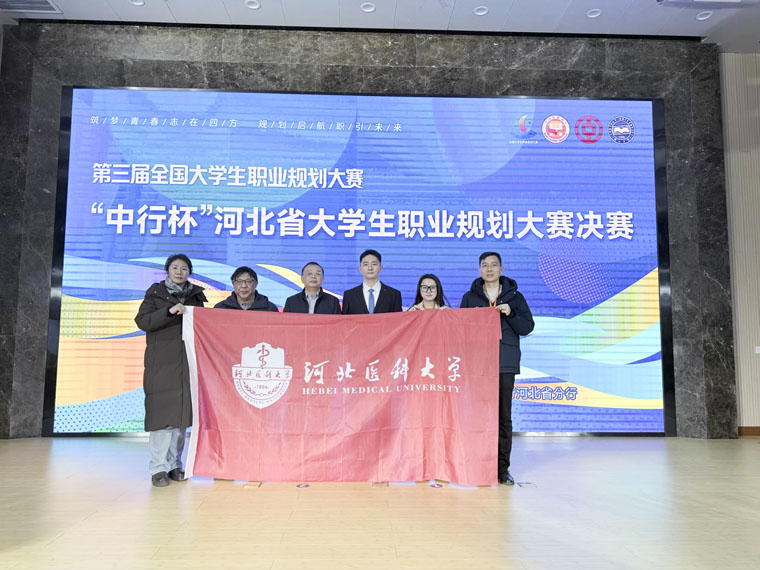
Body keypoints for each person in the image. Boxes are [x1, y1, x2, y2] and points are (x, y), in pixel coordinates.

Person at [460, 251, 534, 486]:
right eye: (485, 265)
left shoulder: (515, 297)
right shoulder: (470, 298)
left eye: (494, 265)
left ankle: (502, 470)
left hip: (504, 363)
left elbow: (527, 327)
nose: (489, 269)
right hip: (478, 366)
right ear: (479, 270)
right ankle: (479, 466)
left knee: (503, 418)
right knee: (479, 417)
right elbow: (460, 329)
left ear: (501, 269)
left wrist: (511, 313)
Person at [134, 254, 207, 488]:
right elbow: (143, 321)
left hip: (187, 362)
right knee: (162, 418)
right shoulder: (155, 293)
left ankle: (175, 464)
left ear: (189, 272)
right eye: (175, 268)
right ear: (167, 270)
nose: (179, 272)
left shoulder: (196, 296)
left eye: (184, 268)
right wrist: (169, 312)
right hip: (162, 364)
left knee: (180, 418)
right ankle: (158, 468)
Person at [341, 249, 402, 314]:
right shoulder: (349, 296)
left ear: (380, 268)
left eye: (374, 264)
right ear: (360, 269)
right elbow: (345, 320)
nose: (370, 268)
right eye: (365, 264)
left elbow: (398, 319)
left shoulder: (394, 295)